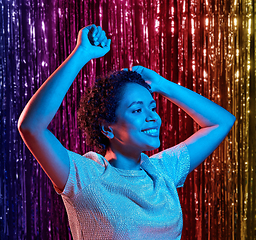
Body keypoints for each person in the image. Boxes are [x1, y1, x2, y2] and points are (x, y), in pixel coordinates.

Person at [18, 24, 236, 239]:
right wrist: (81, 54)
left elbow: (221, 122)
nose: (153, 117)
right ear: (107, 128)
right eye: (137, 110)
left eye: (152, 107)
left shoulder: (163, 170)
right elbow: (31, 127)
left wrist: (162, 85)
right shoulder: (86, 177)